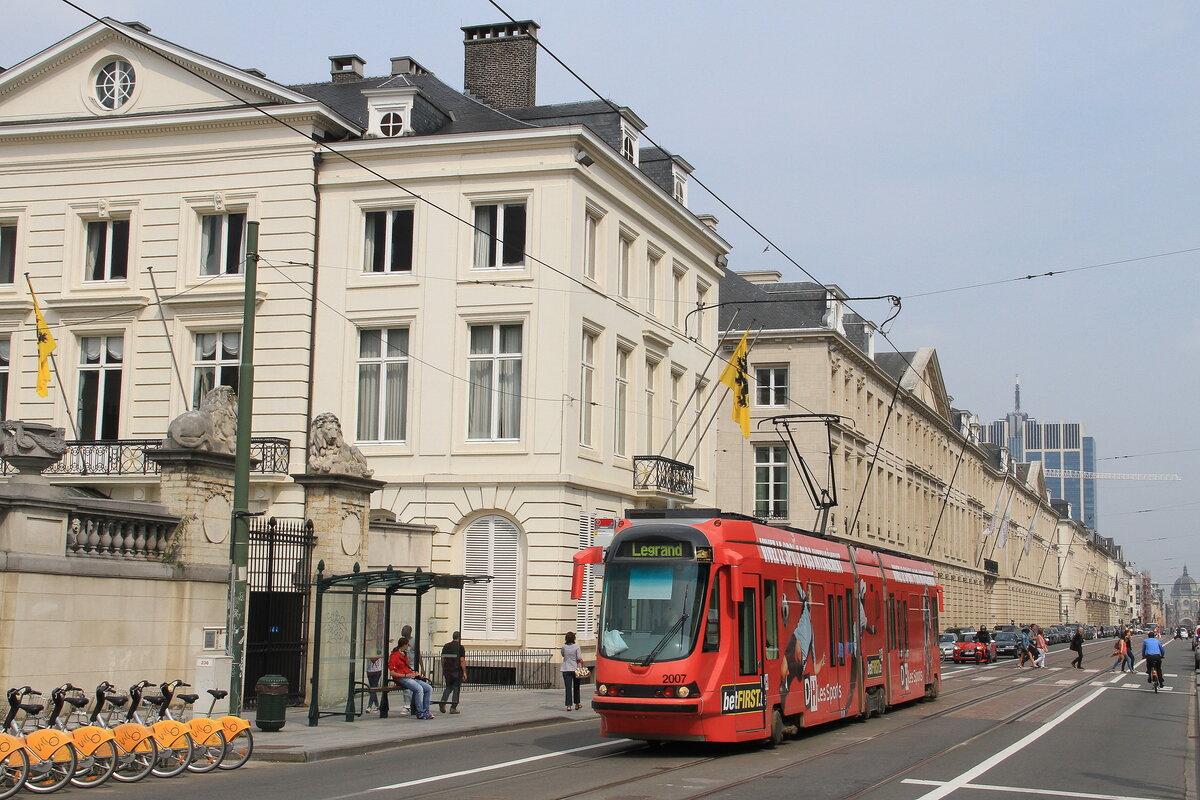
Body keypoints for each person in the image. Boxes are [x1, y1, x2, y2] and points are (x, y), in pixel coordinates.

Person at [389, 636, 434, 719]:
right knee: (419, 689)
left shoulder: (404, 655)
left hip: (409, 676)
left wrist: (413, 673)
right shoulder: (394, 656)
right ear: (403, 645)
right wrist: (406, 675)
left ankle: (426, 710)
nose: (408, 647)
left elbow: (406, 668)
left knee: (428, 688)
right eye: (407, 645)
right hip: (401, 678)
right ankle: (420, 711)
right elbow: (392, 673)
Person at [438, 631, 467, 715]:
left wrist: (444, 668)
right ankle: (453, 707)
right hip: (457, 670)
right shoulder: (460, 647)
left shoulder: (446, 646)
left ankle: (443, 701)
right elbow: (462, 660)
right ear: (459, 638)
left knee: (448, 687)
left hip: (448, 670)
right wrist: (464, 672)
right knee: (456, 688)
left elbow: (443, 659)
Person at [561, 631, 585, 711]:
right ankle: (577, 704)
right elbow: (579, 657)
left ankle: (568, 705)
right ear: (574, 638)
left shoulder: (564, 647)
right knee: (576, 687)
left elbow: (563, 654)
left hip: (566, 668)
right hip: (575, 669)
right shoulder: (577, 647)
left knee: (568, 688)